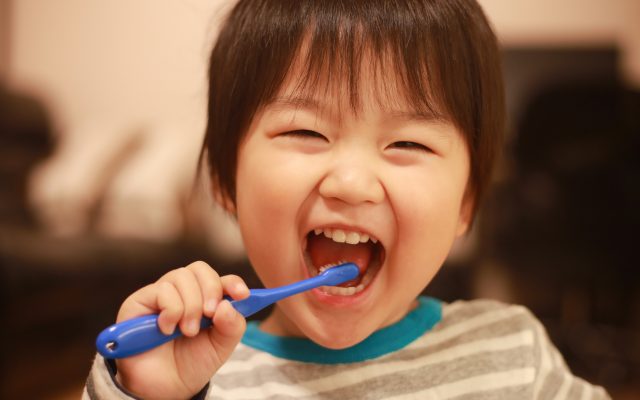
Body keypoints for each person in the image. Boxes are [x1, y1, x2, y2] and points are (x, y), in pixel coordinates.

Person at [84, 0, 610, 398]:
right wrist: (147, 393)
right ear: (224, 179)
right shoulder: (194, 373)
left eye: (409, 142)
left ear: (467, 203)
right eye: (307, 133)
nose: (352, 183)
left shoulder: (515, 357)